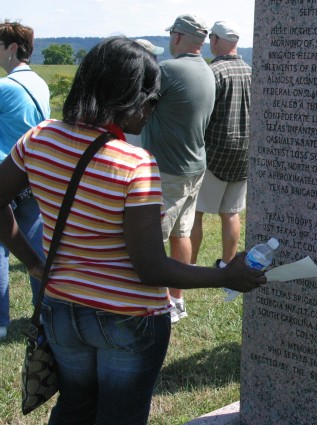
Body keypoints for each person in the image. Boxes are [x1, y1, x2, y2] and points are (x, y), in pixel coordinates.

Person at [0, 37, 264, 424]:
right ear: (127, 96)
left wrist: (34, 262)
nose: (151, 112)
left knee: (73, 408)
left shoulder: (39, 139)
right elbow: (150, 269)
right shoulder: (134, 163)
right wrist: (226, 275)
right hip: (128, 316)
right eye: (150, 100)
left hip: (61, 306)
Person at [142, 15, 216, 323]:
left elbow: (138, 104)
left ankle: (157, 302)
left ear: (176, 37)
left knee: (153, 238)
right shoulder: (207, 70)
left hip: (167, 168)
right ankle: (177, 300)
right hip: (194, 163)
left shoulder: (169, 70)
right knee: (181, 233)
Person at [0, 20, 50, 339]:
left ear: (12, 48)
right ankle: (44, 312)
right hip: (32, 174)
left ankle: (0, 322)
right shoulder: (40, 84)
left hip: (5, 172)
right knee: (35, 242)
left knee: (2, 248)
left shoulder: (5, 87)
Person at [191, 21, 252, 270]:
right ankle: (228, 265)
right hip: (243, 154)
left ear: (214, 40)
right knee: (231, 213)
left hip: (214, 152)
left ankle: (189, 266)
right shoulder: (251, 71)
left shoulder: (212, 72)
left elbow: (201, 115)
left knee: (194, 213)